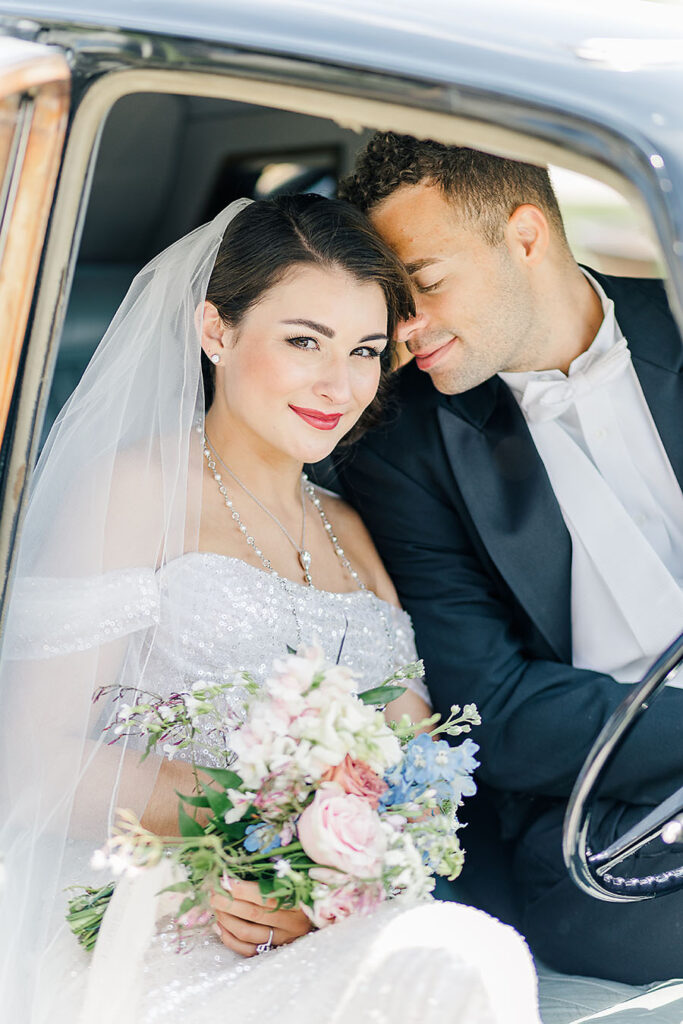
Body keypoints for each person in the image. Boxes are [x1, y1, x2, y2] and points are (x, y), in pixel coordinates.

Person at [0, 194, 541, 1024]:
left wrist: (329, 881)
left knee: (459, 952)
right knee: (464, 958)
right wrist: (253, 846)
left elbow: (416, 780)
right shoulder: (134, 491)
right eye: (303, 342)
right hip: (159, 913)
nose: (340, 383)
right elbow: (31, 757)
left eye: (364, 350)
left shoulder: (356, 534)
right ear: (216, 332)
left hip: (323, 923)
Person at [337, 133, 683, 985]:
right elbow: (489, 705)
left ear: (525, 237)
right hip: (608, 813)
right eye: (392, 302)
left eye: (424, 282)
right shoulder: (400, 451)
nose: (403, 330)